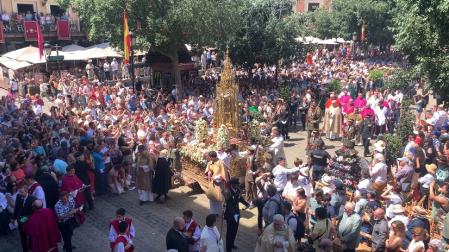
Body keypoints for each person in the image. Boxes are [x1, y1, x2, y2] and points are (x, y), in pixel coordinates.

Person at [224, 177, 249, 252]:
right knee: (229, 232)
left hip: (236, 213)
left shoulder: (237, 190)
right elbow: (228, 204)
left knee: (235, 230)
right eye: (237, 184)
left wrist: (246, 203)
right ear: (233, 184)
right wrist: (234, 214)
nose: (238, 185)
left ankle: (232, 244)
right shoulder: (227, 191)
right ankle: (228, 248)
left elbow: (240, 198)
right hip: (230, 214)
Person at [12, 186, 37, 252]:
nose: (20, 193)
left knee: (31, 237)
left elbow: (35, 212)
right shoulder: (18, 196)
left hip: (29, 221)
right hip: (20, 221)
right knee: (23, 237)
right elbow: (16, 208)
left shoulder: (33, 199)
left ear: (27, 191)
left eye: (22, 192)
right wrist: (13, 218)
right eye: (19, 192)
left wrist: (25, 218)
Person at [204, 151, 227, 215]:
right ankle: (213, 212)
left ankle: (219, 213)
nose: (210, 159)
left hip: (219, 184)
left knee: (218, 197)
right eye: (209, 158)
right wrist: (209, 173)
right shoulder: (210, 163)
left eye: (211, 158)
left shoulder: (221, 163)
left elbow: (224, 174)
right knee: (212, 197)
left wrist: (217, 178)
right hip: (211, 183)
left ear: (214, 157)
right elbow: (207, 171)